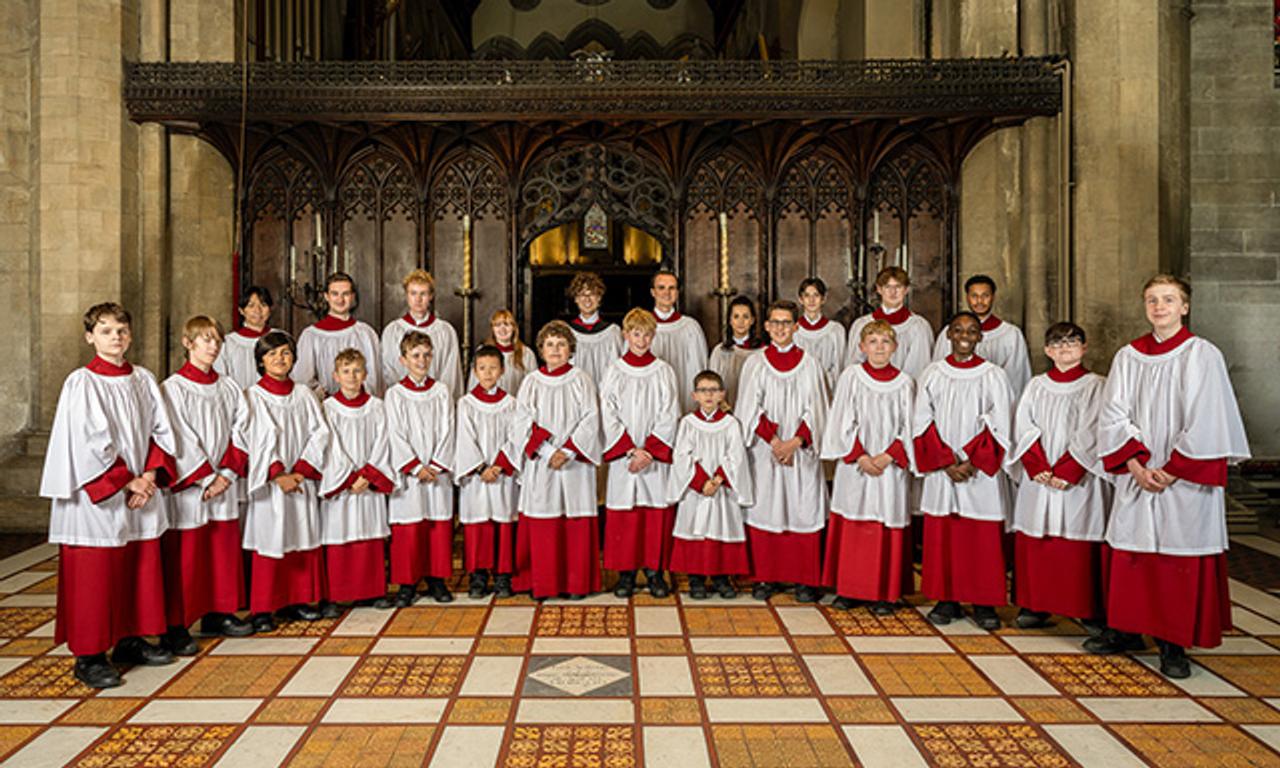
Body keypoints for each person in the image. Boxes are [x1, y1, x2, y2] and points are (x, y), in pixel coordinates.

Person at [1091, 275, 1249, 678]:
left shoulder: (1202, 355)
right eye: (1151, 300)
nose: (1159, 307)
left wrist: (1174, 469)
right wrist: (1135, 464)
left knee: (1177, 556)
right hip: (1138, 472)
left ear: (1184, 307)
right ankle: (1126, 630)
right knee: (1131, 552)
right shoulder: (1128, 355)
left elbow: (1208, 417)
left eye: (1167, 300)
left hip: (1182, 478)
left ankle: (1172, 642)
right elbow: (1113, 413)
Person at [41, 303, 178, 688]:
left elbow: (161, 429)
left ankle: (129, 639)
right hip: (97, 496)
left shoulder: (144, 379)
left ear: (130, 335)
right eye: (105, 330)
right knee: (95, 572)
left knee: (137, 565)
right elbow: (88, 442)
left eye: (121, 329)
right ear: (90, 337)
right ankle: (89, 654)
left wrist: (149, 474)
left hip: (139, 488)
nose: (115, 336)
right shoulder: (82, 382)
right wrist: (127, 481)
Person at [913, 312, 1015, 630]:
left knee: (980, 538)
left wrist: (972, 461)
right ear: (949, 335)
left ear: (980, 337)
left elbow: (1001, 423)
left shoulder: (993, 375)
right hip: (943, 470)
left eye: (972, 331)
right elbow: (920, 420)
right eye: (958, 330)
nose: (964, 335)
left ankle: (984, 604)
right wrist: (944, 460)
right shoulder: (933, 373)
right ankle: (947, 600)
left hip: (977, 471)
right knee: (944, 535)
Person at [1006, 322, 1110, 631]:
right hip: (1040, 477)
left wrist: (1069, 470)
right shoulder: (1037, 385)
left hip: (1078, 478)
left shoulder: (1097, 385)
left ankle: (1085, 608)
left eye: (1072, 342)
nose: (1065, 348)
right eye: (1057, 343)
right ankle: (1035, 605)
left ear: (1084, 347)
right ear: (1048, 350)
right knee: (1037, 539)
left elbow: (1093, 430)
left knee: (1077, 541)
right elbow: (1023, 426)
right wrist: (1037, 466)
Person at [160, 316, 253, 656]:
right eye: (204, 340)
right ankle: (178, 624)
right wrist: (205, 476)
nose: (212, 346)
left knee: (220, 550)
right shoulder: (172, 388)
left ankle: (219, 612)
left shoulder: (228, 386)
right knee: (188, 555)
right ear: (188, 343)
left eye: (216, 340)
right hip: (192, 487)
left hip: (222, 482)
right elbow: (176, 436)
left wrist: (227, 474)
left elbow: (242, 429)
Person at [736, 300, 829, 602]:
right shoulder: (755, 362)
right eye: (774, 322)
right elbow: (749, 407)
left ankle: (805, 579)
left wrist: (796, 442)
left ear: (796, 327)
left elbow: (816, 409)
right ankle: (766, 577)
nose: (780, 328)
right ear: (765, 327)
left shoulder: (810, 363)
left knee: (803, 507)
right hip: (767, 451)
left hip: (799, 452)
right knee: (767, 507)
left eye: (786, 323)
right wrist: (775, 441)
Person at [820, 320, 915, 614]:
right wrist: (860, 456)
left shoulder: (904, 382)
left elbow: (909, 427)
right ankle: (850, 589)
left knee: (886, 522)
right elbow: (841, 419)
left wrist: (888, 455)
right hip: (856, 465)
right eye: (872, 342)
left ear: (895, 347)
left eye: (885, 342)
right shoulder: (852, 376)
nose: (879, 348)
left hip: (889, 468)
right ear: (861, 347)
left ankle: (885, 593)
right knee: (854, 522)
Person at [242, 330, 330, 633]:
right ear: (261, 361)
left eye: (285, 353)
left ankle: (299, 600)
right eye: (272, 354)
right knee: (270, 537)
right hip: (271, 484)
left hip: (300, 478)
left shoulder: (304, 393)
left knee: (300, 535)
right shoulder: (253, 396)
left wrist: (302, 470)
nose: (280, 359)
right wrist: (278, 473)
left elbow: (320, 433)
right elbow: (254, 436)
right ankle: (264, 608)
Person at [512, 320, 603, 599]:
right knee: (544, 520)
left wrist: (570, 451)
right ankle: (544, 583)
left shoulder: (581, 379)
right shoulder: (531, 382)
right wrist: (550, 452)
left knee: (574, 521)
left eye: (561, 344)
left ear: (570, 349)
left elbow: (591, 418)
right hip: (543, 462)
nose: (555, 349)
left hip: (574, 462)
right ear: (541, 349)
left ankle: (576, 584)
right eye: (550, 344)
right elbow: (522, 422)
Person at [599, 308, 681, 598]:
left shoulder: (663, 371)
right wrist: (630, 450)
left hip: (653, 459)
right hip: (626, 459)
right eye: (636, 333)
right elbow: (607, 413)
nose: (642, 339)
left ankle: (656, 572)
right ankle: (626, 574)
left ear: (653, 335)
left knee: (653, 514)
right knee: (626, 515)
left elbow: (670, 412)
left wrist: (649, 451)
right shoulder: (614, 371)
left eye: (647, 334)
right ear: (625, 334)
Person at [318, 348, 395, 614]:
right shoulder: (327, 408)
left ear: (366, 374)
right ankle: (336, 594)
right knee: (340, 534)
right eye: (346, 371)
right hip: (342, 484)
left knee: (369, 534)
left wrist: (369, 474)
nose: (352, 377)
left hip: (368, 484)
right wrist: (350, 477)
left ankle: (371, 592)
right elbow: (329, 446)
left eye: (357, 371)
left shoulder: (377, 406)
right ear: (335, 376)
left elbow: (383, 442)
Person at [384, 331, 456, 606]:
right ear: (403, 359)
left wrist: (436, 464)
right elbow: (395, 433)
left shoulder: (441, 391)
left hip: (436, 472)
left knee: (436, 526)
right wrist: (415, 467)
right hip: (411, 475)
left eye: (427, 354)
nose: (422, 360)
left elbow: (448, 429)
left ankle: (437, 580)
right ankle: (407, 583)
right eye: (415, 355)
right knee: (410, 529)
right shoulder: (395, 394)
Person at [668, 370, 754, 599]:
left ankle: (721, 577)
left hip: (721, 488)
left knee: (720, 529)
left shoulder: (730, 423)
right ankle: (696, 578)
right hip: (696, 489)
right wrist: (700, 482)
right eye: (703, 390)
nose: (708, 395)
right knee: (695, 530)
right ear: (694, 395)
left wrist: (716, 480)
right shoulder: (687, 423)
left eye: (713, 390)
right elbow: (682, 456)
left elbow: (736, 455)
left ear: (722, 395)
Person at [454, 345, 523, 599]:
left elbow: (516, 437)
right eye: (482, 368)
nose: (487, 373)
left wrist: (500, 465)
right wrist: (481, 467)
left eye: (493, 368)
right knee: (478, 525)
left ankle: (503, 575)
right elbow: (464, 438)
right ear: (474, 371)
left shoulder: (511, 403)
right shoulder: (466, 404)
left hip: (502, 474)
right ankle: (478, 576)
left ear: (502, 370)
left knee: (503, 524)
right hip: (477, 477)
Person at [931, 275, 1031, 398]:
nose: (979, 301)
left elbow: (1017, 378)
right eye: (974, 296)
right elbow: (939, 373)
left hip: (995, 400)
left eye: (985, 296)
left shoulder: (1010, 334)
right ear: (967, 297)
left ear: (993, 297)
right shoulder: (951, 332)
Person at [294, 272, 382, 396]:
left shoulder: (366, 333)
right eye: (335, 294)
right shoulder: (311, 336)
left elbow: (374, 377)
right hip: (324, 406)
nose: (340, 300)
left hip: (359, 406)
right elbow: (302, 378)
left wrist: (354, 396)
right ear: (326, 296)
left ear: (352, 296)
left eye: (345, 294)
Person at [381, 269, 463, 397]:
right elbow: (388, 370)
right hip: (402, 399)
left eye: (423, 294)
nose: (418, 299)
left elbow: (450, 372)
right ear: (406, 295)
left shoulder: (445, 331)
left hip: (436, 400)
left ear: (431, 296)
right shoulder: (392, 331)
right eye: (413, 293)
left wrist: (438, 397)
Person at [847, 267, 935, 379]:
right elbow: (855, 364)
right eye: (887, 287)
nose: (893, 292)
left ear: (906, 290)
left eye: (898, 287)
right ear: (879, 289)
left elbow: (919, 367)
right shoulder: (861, 325)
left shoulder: (919, 326)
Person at [649, 269, 709, 413]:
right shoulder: (642, 327)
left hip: (684, 392)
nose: (666, 293)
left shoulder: (690, 327)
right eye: (661, 288)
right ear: (653, 292)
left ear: (677, 292)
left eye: (672, 288)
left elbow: (699, 367)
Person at [566, 272, 623, 389]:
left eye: (592, 294)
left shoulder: (612, 332)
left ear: (599, 298)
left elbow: (617, 370)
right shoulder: (567, 332)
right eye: (582, 294)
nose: (587, 299)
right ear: (576, 299)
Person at [214, 286, 276, 390]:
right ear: (241, 310)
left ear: (270, 309)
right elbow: (221, 379)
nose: (257, 310)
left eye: (263, 305)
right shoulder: (228, 343)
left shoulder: (280, 338)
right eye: (251, 306)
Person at [708, 295, 763, 408]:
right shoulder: (720, 351)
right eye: (736, 316)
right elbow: (712, 385)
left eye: (746, 317)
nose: (741, 321)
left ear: (752, 320)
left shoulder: (762, 351)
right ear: (730, 320)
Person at [794, 277, 846, 392]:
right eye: (807, 295)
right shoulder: (793, 330)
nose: (811, 300)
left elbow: (838, 366)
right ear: (800, 299)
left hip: (827, 389)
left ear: (823, 299)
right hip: (799, 389)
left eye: (816, 295)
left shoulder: (835, 330)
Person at [469, 308, 537, 395]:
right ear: (492, 329)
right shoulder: (482, 351)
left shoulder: (526, 354)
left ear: (514, 328)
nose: (502, 329)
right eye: (497, 325)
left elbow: (532, 385)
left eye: (507, 324)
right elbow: (473, 382)